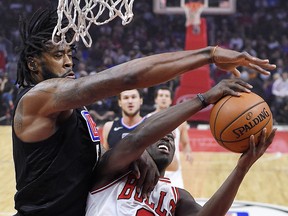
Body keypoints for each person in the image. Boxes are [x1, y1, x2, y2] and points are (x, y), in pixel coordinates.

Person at [12, 6, 275, 216]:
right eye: (58, 55)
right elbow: (126, 80)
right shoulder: (35, 100)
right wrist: (210, 55)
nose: (68, 61)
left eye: (69, 53)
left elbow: (70, 162)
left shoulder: (70, 109)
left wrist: (131, 155)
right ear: (34, 64)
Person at [85, 79, 277, 215]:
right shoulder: (111, 173)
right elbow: (132, 142)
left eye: (170, 137)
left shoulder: (178, 197)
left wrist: (241, 169)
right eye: (160, 135)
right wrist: (204, 99)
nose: (167, 138)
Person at [147, 86, 192, 188]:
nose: (163, 98)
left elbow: (185, 143)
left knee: (176, 201)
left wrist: (188, 152)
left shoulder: (180, 120)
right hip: (153, 169)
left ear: (171, 100)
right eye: (161, 95)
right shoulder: (147, 120)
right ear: (156, 99)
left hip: (173, 171)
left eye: (166, 96)